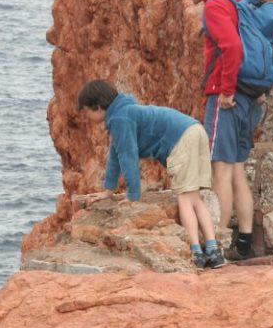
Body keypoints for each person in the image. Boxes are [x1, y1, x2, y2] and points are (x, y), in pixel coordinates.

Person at [77, 79, 226, 269]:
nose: (85, 117)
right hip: (195, 130)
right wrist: (108, 190)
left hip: (181, 139)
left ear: (97, 107)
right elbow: (115, 155)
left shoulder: (120, 119)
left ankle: (197, 251)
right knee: (195, 198)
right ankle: (214, 251)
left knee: (185, 199)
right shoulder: (126, 112)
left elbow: (127, 157)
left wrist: (133, 195)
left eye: (86, 112)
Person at [174, 0, 262, 260]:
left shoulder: (214, 6)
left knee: (220, 171)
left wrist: (225, 91)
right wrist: (256, 88)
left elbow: (232, 48)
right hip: (250, 95)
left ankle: (219, 243)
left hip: (226, 98)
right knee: (237, 170)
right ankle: (245, 243)